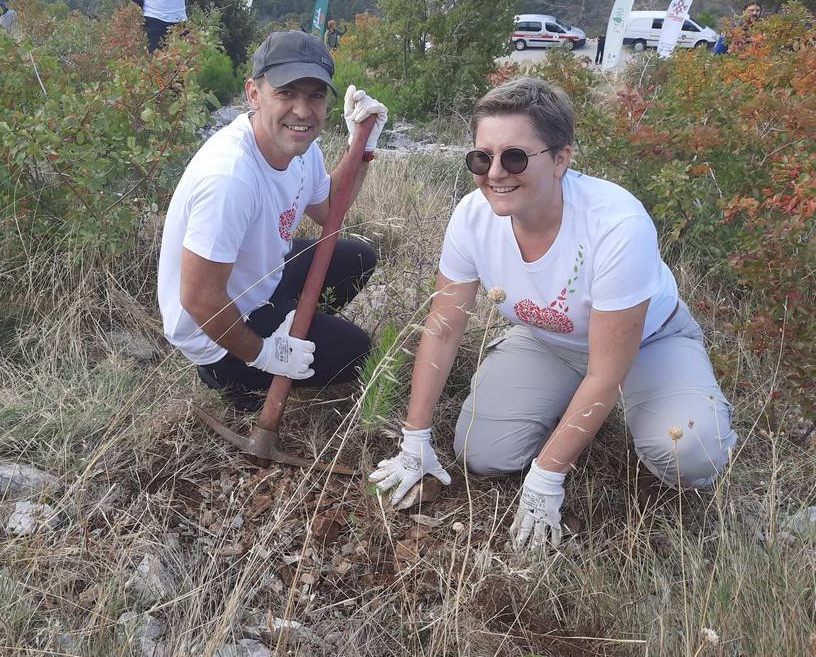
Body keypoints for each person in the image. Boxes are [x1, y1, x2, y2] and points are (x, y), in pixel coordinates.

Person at [370, 77, 736, 550]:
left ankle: (670, 399)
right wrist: (414, 438)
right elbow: (442, 329)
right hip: (549, 339)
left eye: (516, 157)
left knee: (689, 454)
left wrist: (546, 476)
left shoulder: (617, 225)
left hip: (648, 342)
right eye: (482, 158)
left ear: (562, 158)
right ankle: (575, 404)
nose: (495, 173)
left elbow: (608, 369)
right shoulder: (471, 216)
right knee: (481, 454)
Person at [157, 30, 388, 408]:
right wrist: (264, 353)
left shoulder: (300, 148)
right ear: (253, 94)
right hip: (212, 334)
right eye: (286, 93)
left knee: (356, 258)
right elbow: (199, 299)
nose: (302, 110)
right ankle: (241, 379)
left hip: (260, 281)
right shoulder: (230, 178)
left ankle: (288, 323)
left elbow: (329, 210)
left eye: (315, 95)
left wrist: (361, 148)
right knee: (357, 353)